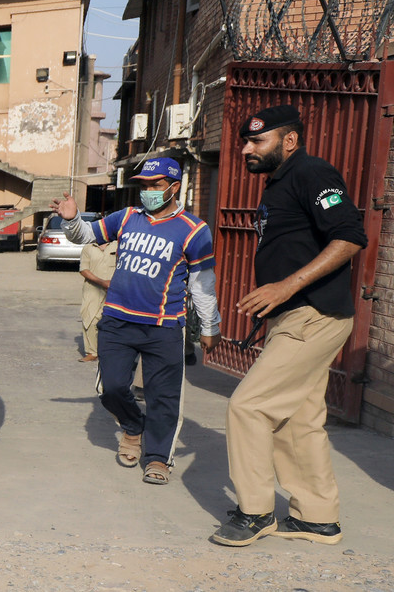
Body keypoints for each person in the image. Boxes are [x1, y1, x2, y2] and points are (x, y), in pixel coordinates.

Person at [210, 105, 368, 547]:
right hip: (297, 316)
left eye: (257, 141)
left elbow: (351, 236)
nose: (246, 149)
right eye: (245, 141)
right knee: (299, 419)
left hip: (312, 313)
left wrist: (285, 287)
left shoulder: (312, 173)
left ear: (290, 140)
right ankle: (317, 518)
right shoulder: (282, 182)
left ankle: (255, 512)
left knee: (249, 406)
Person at [50, 157, 221, 485]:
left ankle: (157, 457)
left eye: (155, 185)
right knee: (111, 388)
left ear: (174, 187)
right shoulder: (127, 217)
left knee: (163, 396)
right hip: (116, 320)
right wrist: (71, 220)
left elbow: (203, 284)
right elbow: (86, 234)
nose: (148, 191)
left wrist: (209, 326)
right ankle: (132, 426)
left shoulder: (195, 230)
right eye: (144, 185)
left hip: (164, 326)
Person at [78, 240, 118, 362]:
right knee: (89, 318)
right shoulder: (88, 247)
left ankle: (116, 354)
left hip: (115, 288)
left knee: (114, 321)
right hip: (93, 288)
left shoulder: (118, 244)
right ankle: (92, 352)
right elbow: (83, 270)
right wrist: (102, 282)